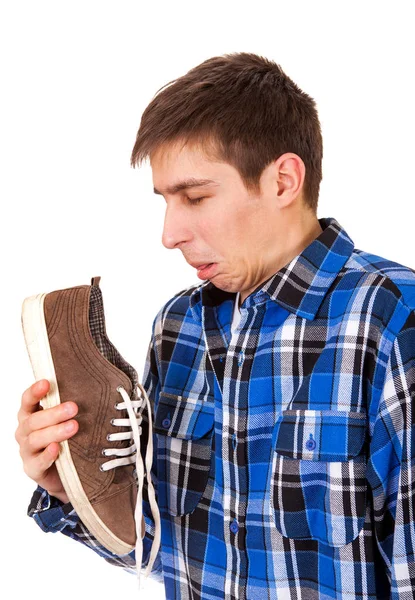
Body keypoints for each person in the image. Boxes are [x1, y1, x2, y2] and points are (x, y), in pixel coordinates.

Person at [16, 52, 415, 599]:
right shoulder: (177, 329)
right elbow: (162, 550)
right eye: (165, 200)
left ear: (283, 181)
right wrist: (71, 491)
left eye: (195, 197)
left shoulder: (392, 320)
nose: (169, 233)